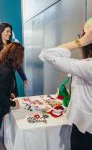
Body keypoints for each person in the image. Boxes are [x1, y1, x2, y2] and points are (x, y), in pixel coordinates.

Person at [39, 18, 92, 150]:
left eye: (82, 35)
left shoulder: (88, 67)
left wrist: (80, 42)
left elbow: (47, 55)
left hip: (85, 131)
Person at [0, 22, 27, 96]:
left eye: (10, 32)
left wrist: (24, 78)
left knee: (13, 102)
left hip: (11, 80)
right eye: (7, 31)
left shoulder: (12, 46)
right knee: (0, 101)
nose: (9, 34)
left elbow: (17, 64)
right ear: (1, 32)